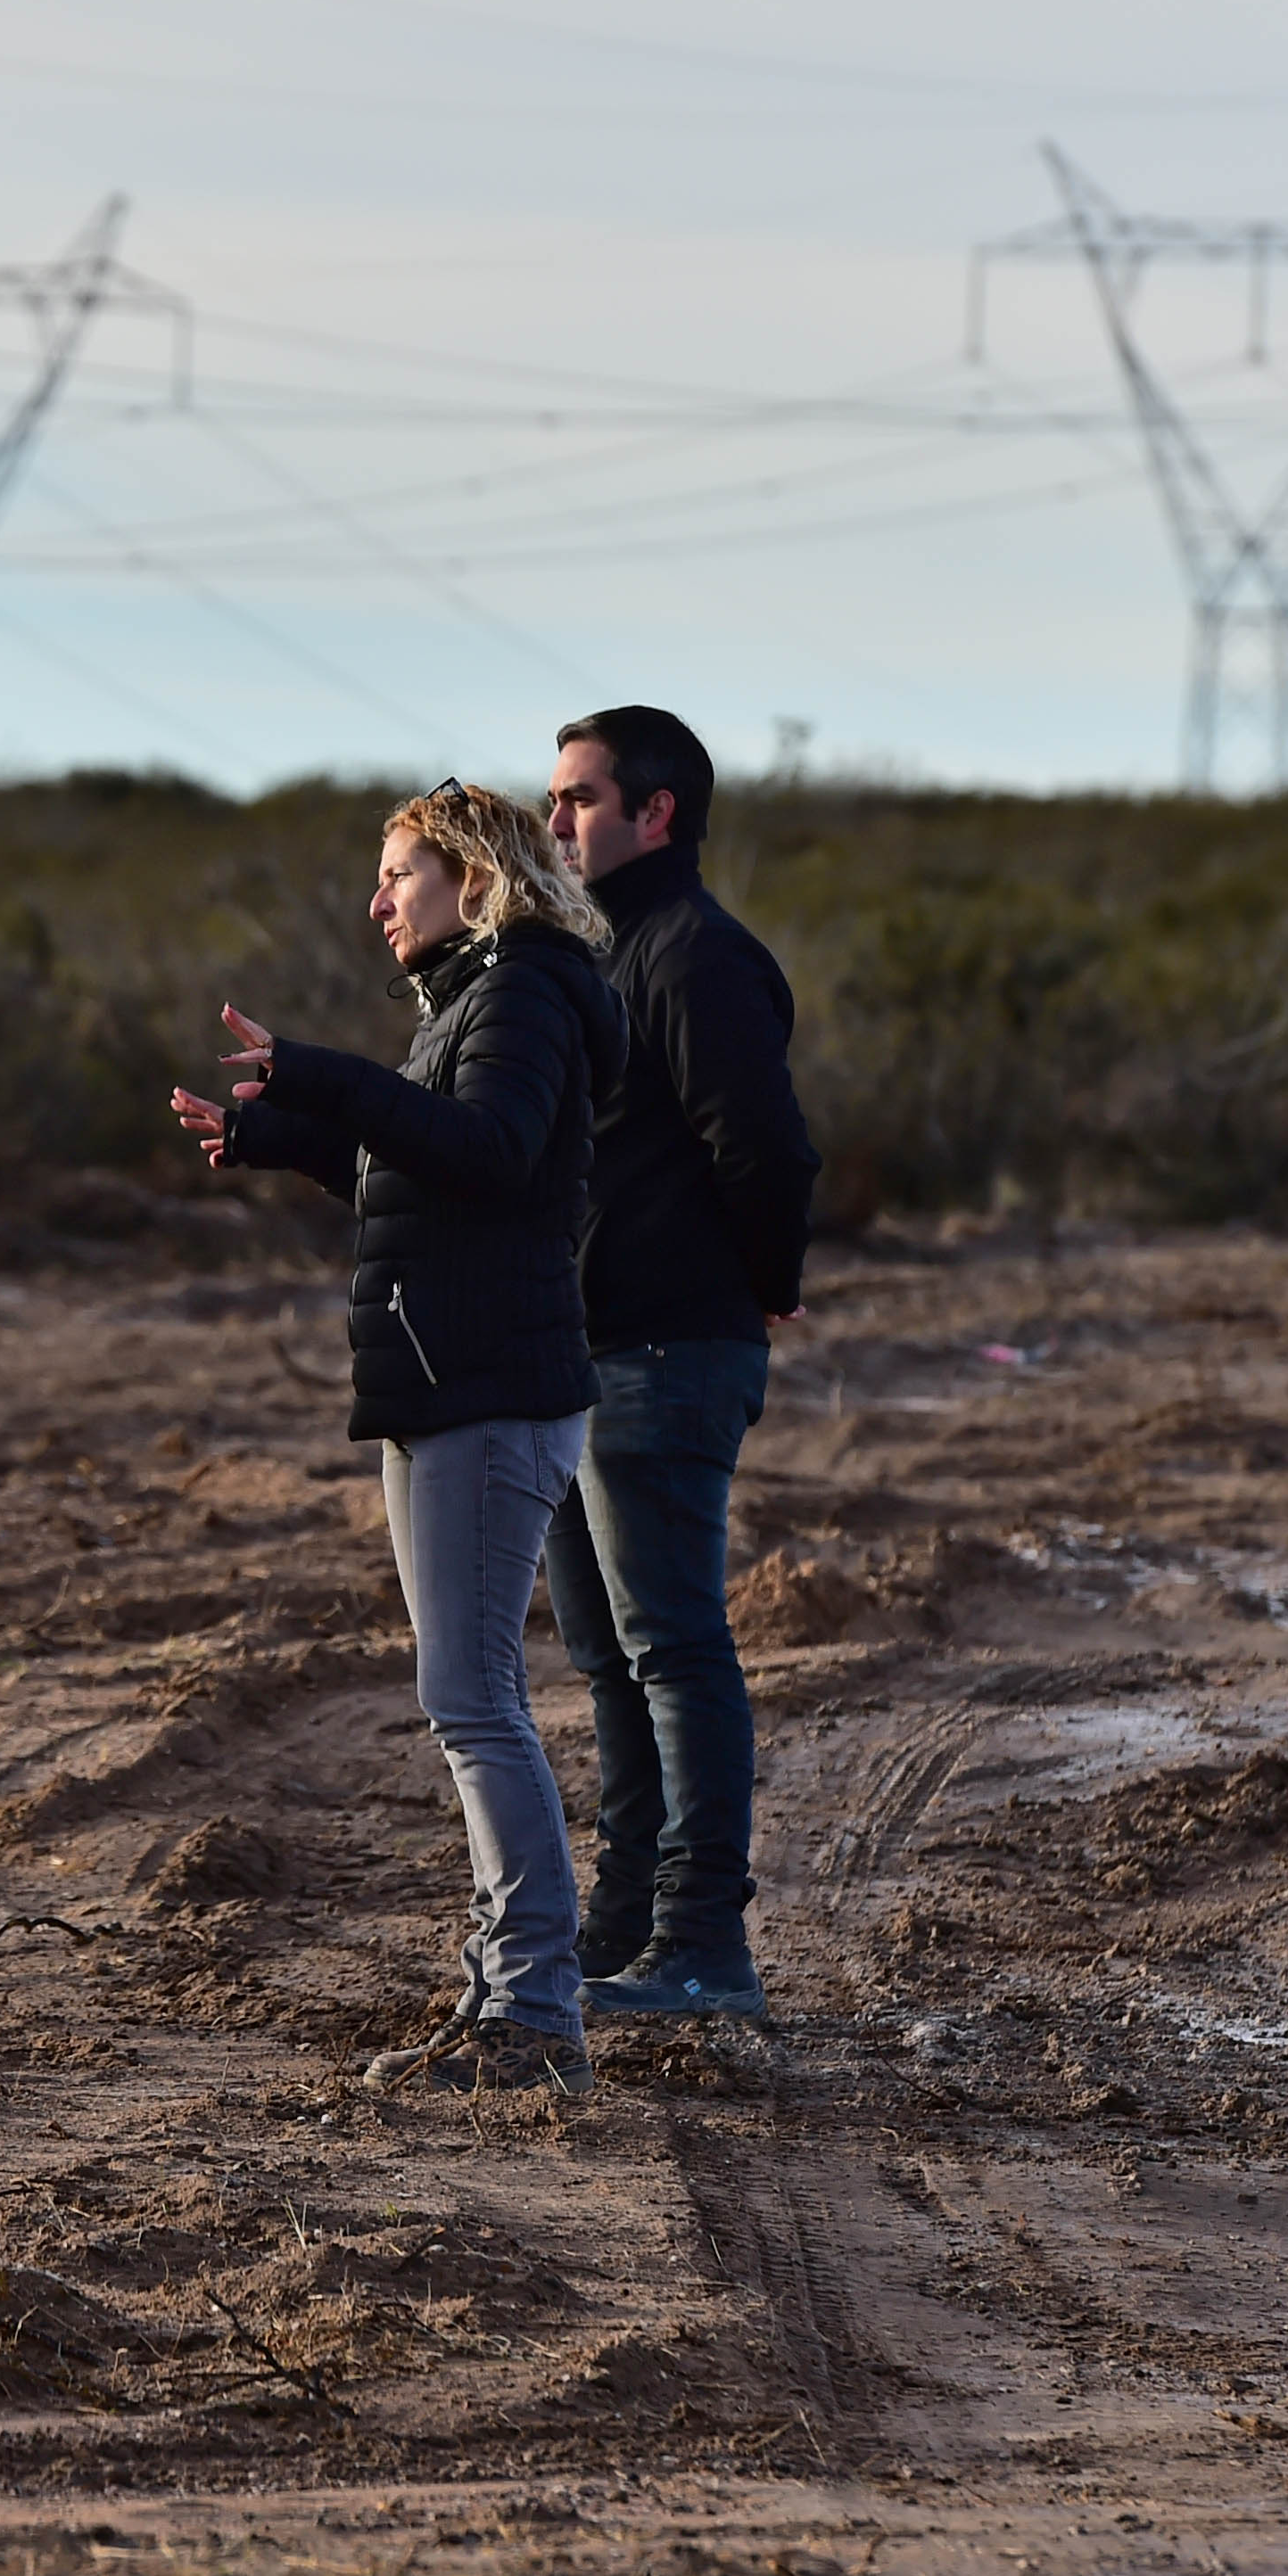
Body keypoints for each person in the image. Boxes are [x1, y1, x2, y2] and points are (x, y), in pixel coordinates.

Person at [175, 783, 626, 2095]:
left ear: (474, 878)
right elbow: (438, 1172)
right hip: (452, 1387)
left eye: (398, 876)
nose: (378, 904)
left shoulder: (526, 991)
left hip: (485, 1393)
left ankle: (534, 2015)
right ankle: (510, 2000)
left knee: (474, 1704)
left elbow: (487, 1153)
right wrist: (279, 1138)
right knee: (469, 1701)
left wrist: (324, 1073)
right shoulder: (478, 999)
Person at [540, 706, 818, 2021]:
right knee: (610, 1661)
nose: (557, 824)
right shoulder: (606, 951)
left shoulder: (698, 955)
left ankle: (704, 1943)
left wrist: (759, 1293)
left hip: (666, 1353)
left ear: (656, 814)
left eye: (581, 800)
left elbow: (765, 1148)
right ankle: (622, 1927)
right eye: (555, 800)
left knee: (672, 1652)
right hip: (588, 1360)